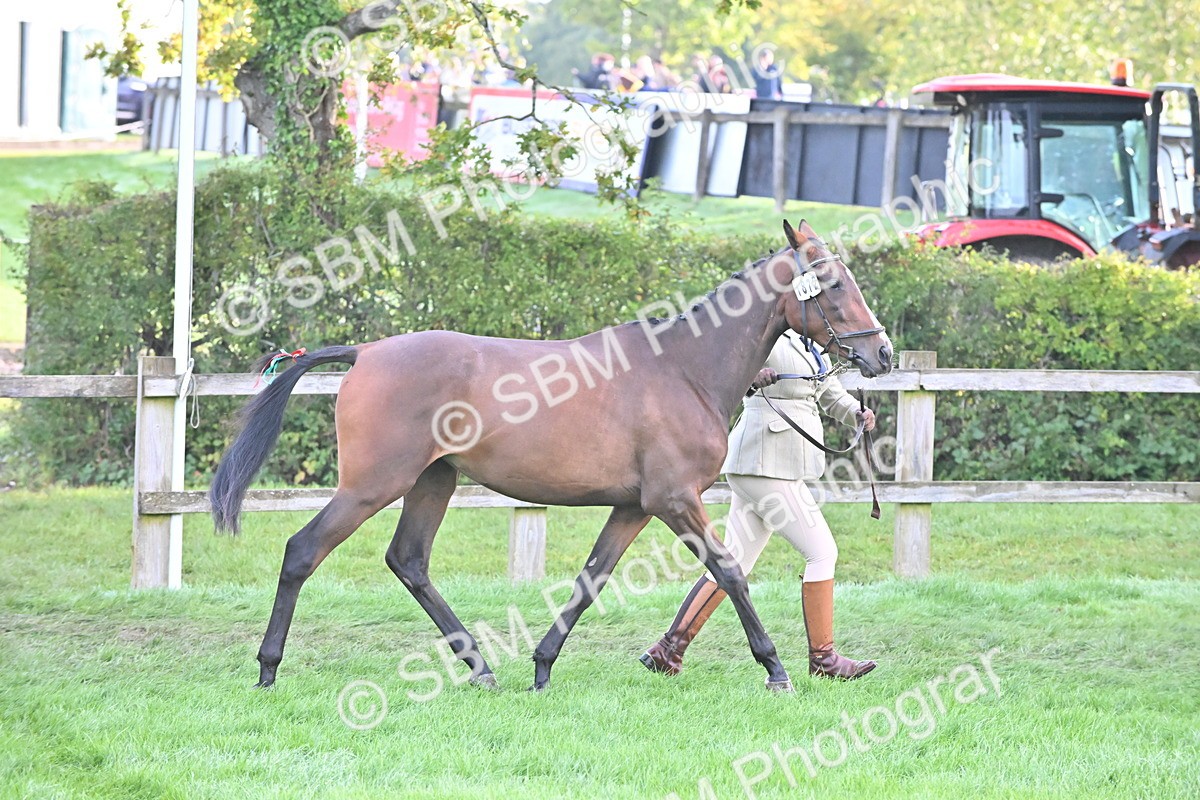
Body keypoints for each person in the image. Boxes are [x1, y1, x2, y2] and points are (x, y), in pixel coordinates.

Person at [640, 331, 879, 680]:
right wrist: (751, 379)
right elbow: (724, 374)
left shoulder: (813, 345)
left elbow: (828, 394)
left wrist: (856, 414)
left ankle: (668, 650)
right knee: (822, 552)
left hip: (775, 465)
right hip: (763, 463)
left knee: (733, 562)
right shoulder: (764, 337)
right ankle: (823, 658)